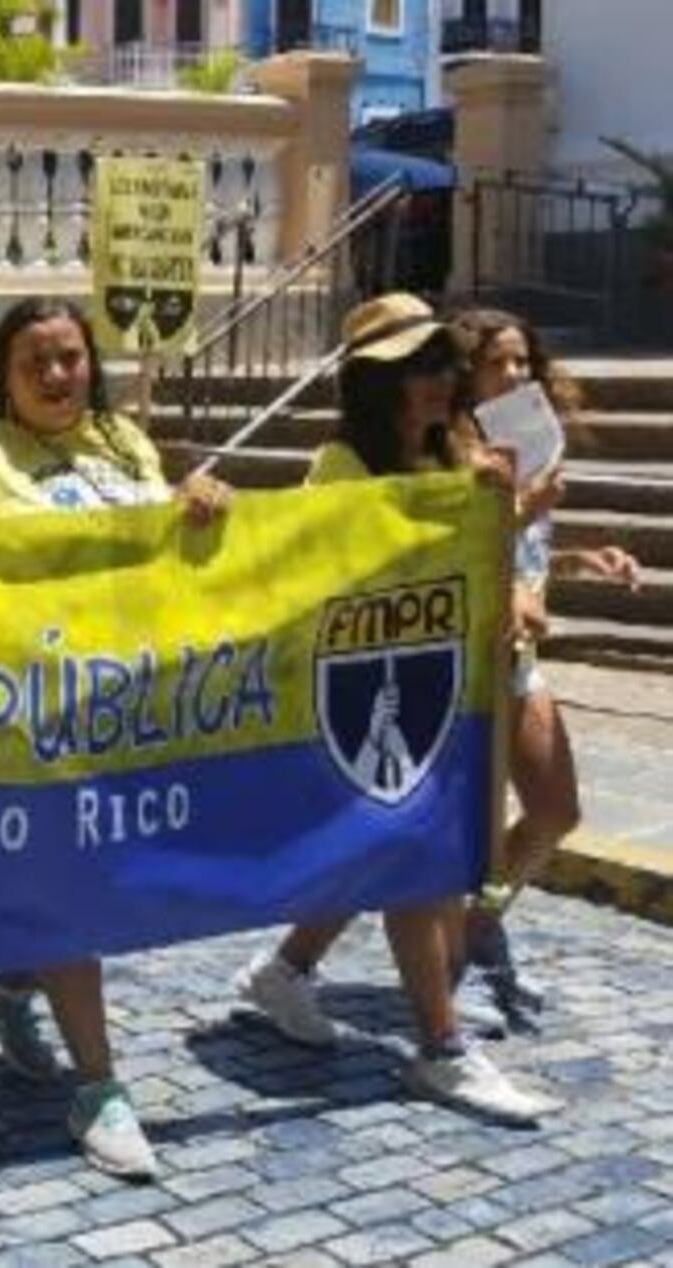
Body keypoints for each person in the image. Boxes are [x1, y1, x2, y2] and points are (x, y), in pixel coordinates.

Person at [0, 298, 232, 1180]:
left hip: (119, 711)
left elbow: (154, 552)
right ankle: (100, 1087)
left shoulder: (124, 442)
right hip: (21, 718)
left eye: (71, 358)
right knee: (73, 887)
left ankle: (7, 984)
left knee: (68, 889)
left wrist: (191, 502)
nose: (57, 377)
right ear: (2, 378)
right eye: (35, 363)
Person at [226, 295, 565, 1123]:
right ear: (376, 384)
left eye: (441, 363)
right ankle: (441, 1046)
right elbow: (350, 571)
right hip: (370, 694)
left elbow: (480, 564)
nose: (436, 382)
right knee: (413, 855)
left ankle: (289, 971)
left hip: (446, 689)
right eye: (415, 368)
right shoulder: (341, 466)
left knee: (390, 852)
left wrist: (508, 525)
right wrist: (485, 512)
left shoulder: (458, 451)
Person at [446, 307, 641, 1026]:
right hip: (471, 658)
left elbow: (524, 552)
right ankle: (302, 966)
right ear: (466, 371)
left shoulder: (533, 440)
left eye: (524, 361)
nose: (516, 375)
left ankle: (479, 923)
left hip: (522, 652)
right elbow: (468, 546)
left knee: (557, 809)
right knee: (462, 833)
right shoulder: (455, 445)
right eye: (498, 362)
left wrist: (580, 556)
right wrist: (527, 508)